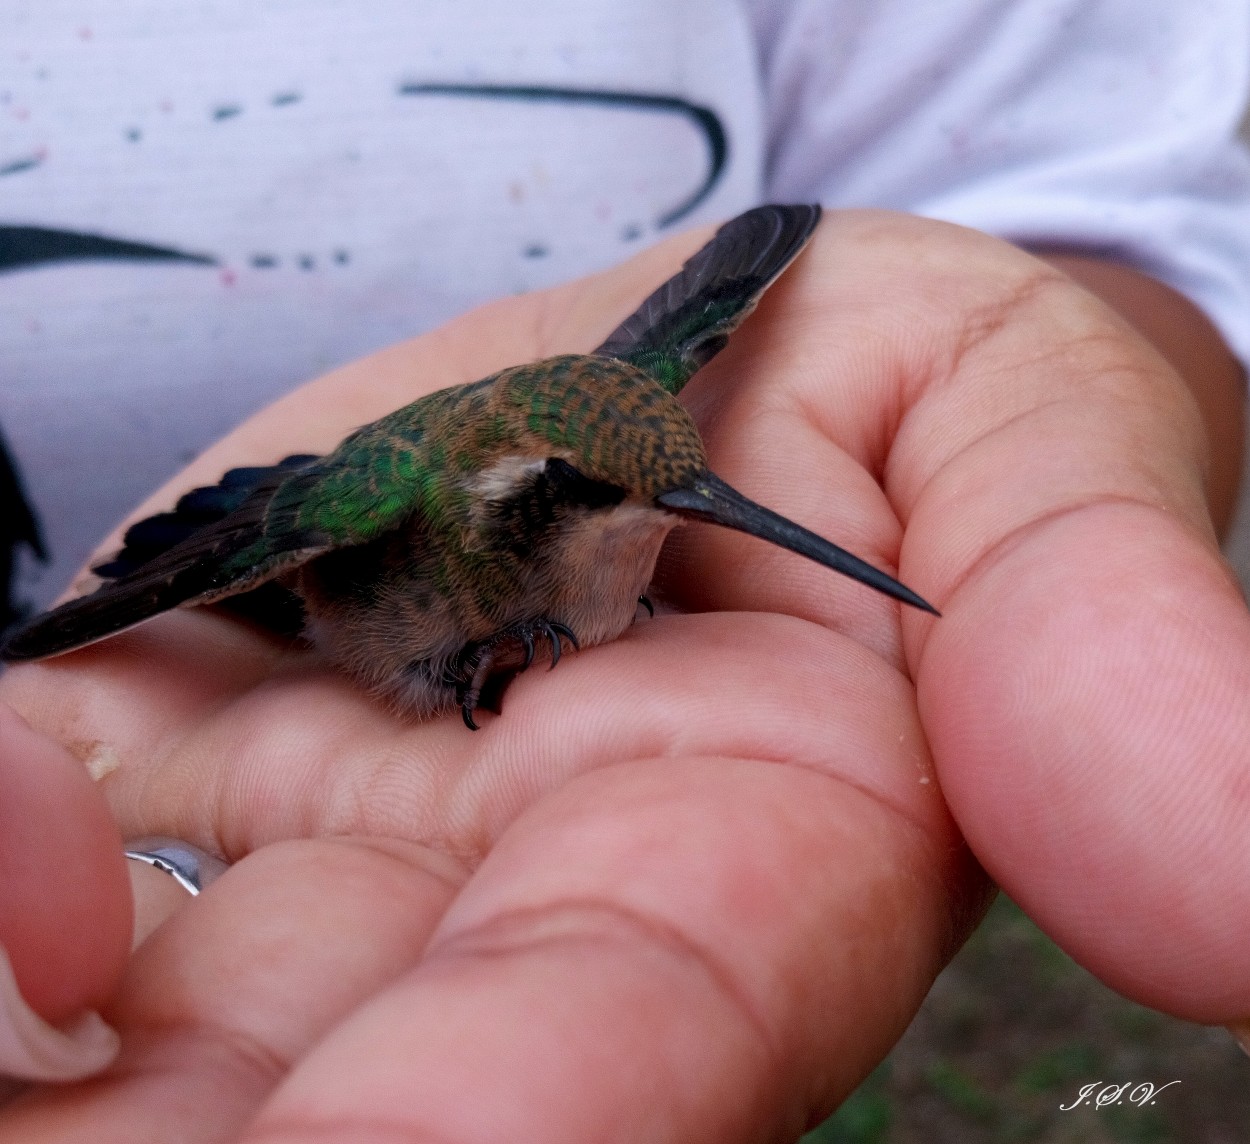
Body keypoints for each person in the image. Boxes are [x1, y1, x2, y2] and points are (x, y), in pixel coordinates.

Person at [2, 0, 1250, 1138]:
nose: (688, 513)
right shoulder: (406, 508)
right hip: (338, 547)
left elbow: (770, 265)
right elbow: (268, 563)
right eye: (620, 496)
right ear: (533, 497)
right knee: (242, 552)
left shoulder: (629, 424)